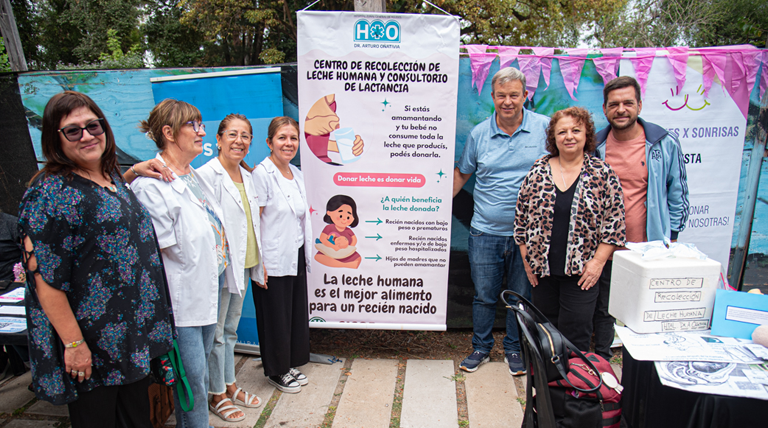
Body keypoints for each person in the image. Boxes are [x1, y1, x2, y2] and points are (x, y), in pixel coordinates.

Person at [17, 91, 174, 427]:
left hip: (132, 339)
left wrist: (133, 174)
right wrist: (74, 345)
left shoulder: (112, 177)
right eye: (73, 130)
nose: (87, 135)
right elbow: (43, 278)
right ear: (54, 139)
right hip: (93, 348)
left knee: (138, 420)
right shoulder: (50, 193)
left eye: (93, 125)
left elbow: (104, 216)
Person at [132, 99, 236, 428]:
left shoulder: (192, 176)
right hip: (181, 300)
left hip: (207, 287)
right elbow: (163, 255)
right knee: (192, 379)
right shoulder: (150, 186)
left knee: (199, 372)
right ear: (169, 132)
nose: (202, 131)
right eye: (194, 125)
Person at [453, 67, 550, 375]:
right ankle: (481, 347)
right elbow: (462, 173)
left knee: (520, 297)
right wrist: (433, 207)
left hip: (528, 237)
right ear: (492, 97)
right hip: (484, 232)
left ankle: (514, 349)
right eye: (501, 96)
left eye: (514, 95)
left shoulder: (545, 129)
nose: (507, 101)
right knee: (484, 296)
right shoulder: (479, 134)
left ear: (525, 96)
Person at [593, 76, 690, 359]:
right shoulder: (596, 145)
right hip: (607, 249)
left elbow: (678, 192)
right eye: (614, 104)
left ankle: (644, 365)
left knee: (645, 309)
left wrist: (670, 239)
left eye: (627, 103)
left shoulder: (663, 143)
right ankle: (602, 360)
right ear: (605, 108)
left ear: (639, 105)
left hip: (649, 248)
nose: (621, 109)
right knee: (604, 308)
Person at [515, 106, 626, 351]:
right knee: (545, 335)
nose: (569, 136)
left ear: (587, 135)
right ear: (553, 137)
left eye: (576, 130)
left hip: (582, 274)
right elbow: (521, 221)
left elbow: (614, 226)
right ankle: (548, 387)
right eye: (562, 131)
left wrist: (597, 263)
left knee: (576, 335)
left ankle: (576, 387)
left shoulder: (602, 174)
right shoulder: (538, 170)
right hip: (542, 272)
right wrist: (527, 262)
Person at [195, 114, 266, 421]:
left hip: (245, 264)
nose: (240, 141)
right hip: (222, 269)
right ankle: (216, 394)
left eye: (246, 136)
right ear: (219, 139)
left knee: (230, 330)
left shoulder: (247, 177)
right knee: (216, 334)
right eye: (233, 135)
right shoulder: (205, 176)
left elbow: (253, 224)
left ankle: (230, 383)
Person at [251, 116, 312, 393]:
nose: (289, 143)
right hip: (272, 259)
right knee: (275, 315)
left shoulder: (295, 173)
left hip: (295, 252)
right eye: (282, 138)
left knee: (291, 314)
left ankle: (287, 363)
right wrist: (259, 263)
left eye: (293, 138)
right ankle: (275, 371)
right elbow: (255, 221)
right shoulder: (262, 174)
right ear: (269, 142)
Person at [314, 194, 362, 269]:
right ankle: (345, 265)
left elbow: (354, 240)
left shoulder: (348, 230)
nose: (344, 219)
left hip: (346, 254)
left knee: (358, 258)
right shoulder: (329, 227)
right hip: (329, 252)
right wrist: (332, 247)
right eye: (340, 216)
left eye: (348, 217)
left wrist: (349, 248)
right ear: (329, 212)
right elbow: (323, 238)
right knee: (318, 257)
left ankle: (344, 263)